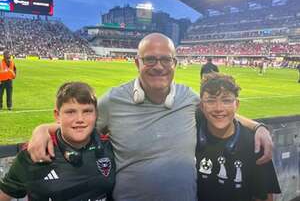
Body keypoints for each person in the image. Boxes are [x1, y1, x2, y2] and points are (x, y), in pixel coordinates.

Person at [27, 33, 273, 201]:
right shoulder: (114, 100)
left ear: (175, 63)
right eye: (150, 59)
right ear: (137, 63)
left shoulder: (188, 98)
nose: (159, 66)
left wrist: (258, 127)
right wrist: (42, 129)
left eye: (166, 59)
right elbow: (79, 123)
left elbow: (220, 112)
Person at [0, 82, 115, 201]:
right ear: (57, 115)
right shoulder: (35, 152)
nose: (80, 119)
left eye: (87, 111)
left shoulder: (109, 147)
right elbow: (5, 195)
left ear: (96, 114)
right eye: (70, 112)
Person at [196, 73, 281, 201]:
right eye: (211, 101)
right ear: (202, 106)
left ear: (237, 104)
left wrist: (259, 127)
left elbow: (265, 197)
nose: (219, 108)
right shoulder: (191, 135)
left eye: (226, 100)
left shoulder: (256, 144)